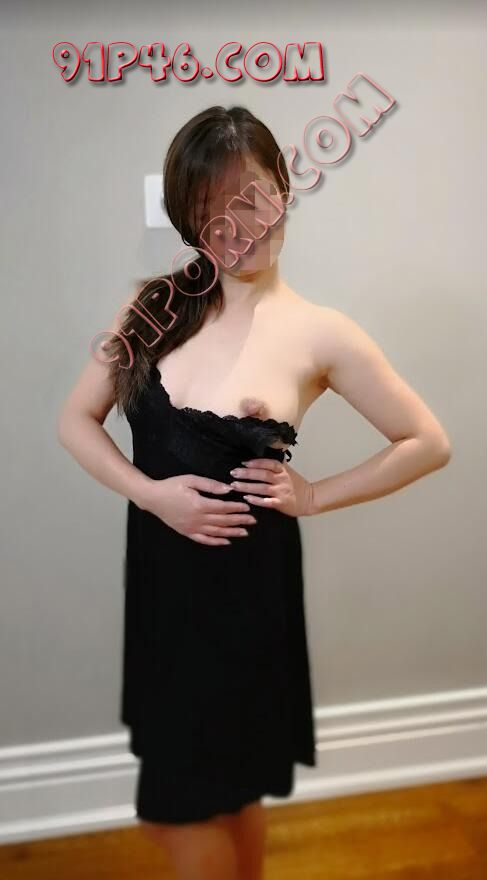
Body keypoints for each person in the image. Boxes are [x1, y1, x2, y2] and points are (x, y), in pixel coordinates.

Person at [57, 105, 451, 880]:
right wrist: (152, 495)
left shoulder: (319, 332)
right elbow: (76, 420)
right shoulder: (152, 309)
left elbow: (426, 442)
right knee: (216, 795)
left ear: (284, 190)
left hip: (245, 598)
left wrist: (314, 495)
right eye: (214, 213)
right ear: (190, 221)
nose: (238, 230)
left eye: (254, 200)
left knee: (198, 798)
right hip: (163, 591)